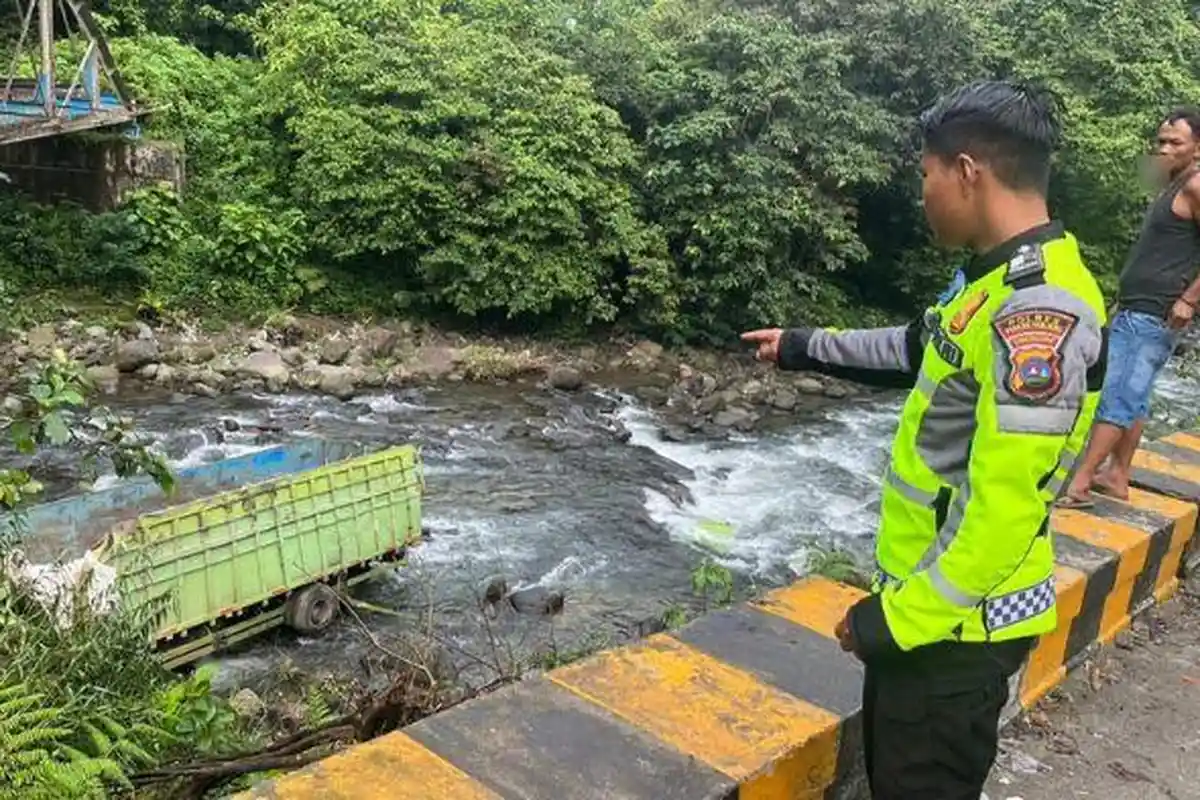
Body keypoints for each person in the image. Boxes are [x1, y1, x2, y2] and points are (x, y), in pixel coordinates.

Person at [742, 81, 1107, 799]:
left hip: (953, 636)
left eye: (926, 176)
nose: (923, 195)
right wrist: (803, 344)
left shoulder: (1041, 310)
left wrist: (891, 622)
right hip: (932, 623)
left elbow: (1001, 510)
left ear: (967, 170)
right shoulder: (989, 281)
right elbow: (916, 349)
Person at [1058, 108, 1200, 508]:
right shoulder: (1171, 188)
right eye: (1161, 141)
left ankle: (1079, 484)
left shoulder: (1195, 185)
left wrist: (1190, 299)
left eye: (1175, 142)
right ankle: (1117, 474)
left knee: (1115, 395)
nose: (1164, 148)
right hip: (1138, 307)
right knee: (1132, 395)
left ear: (1197, 148)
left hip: (1156, 312)